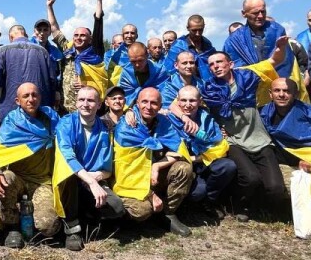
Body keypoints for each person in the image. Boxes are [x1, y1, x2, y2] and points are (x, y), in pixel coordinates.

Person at [201, 40, 288, 221]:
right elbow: (188, 103)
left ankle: (266, 206)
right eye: (211, 64)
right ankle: (237, 204)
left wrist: (280, 47)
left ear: (230, 64)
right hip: (233, 141)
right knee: (251, 178)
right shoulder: (209, 89)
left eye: (219, 62)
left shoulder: (248, 76)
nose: (216, 66)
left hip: (259, 138)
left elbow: (274, 61)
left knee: (276, 188)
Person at [0, 83, 61, 248]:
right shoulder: (12, 121)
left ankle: (33, 217)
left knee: (48, 227)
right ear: (18, 101)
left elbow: (68, 137)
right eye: (26, 96)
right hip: (18, 178)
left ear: (40, 98)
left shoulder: (51, 117)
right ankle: (12, 227)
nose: (31, 99)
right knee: (3, 180)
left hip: (42, 181)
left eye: (34, 95)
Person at [112, 87, 194, 236]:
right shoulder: (126, 127)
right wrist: (150, 194)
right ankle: (118, 218)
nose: (148, 107)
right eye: (144, 102)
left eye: (154, 103)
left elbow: (179, 151)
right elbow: (125, 170)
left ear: (161, 105)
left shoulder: (164, 123)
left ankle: (168, 214)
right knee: (142, 211)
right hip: (130, 180)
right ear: (136, 103)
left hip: (153, 176)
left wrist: (156, 166)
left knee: (184, 168)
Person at [51, 87, 124, 251]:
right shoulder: (66, 123)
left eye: (91, 100)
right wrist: (90, 181)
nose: (86, 104)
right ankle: (72, 228)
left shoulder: (105, 128)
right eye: (81, 100)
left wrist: (95, 178)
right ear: (76, 103)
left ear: (99, 104)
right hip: (70, 178)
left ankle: (88, 216)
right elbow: (67, 157)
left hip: (92, 179)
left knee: (117, 207)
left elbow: (107, 169)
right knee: (68, 175)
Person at [168, 86, 237, 218]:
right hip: (184, 164)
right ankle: (187, 202)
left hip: (205, 160)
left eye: (192, 101)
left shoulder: (207, 118)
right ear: (177, 101)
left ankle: (209, 200)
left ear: (199, 101)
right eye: (184, 100)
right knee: (197, 193)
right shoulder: (169, 119)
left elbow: (217, 144)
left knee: (228, 166)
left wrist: (198, 133)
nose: (188, 105)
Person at [224, 0, 307, 102]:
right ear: (244, 14)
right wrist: (260, 75)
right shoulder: (234, 40)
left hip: (280, 89)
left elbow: (287, 62)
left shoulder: (277, 30)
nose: (260, 16)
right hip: (252, 92)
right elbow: (236, 69)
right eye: (255, 13)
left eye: (263, 12)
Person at [46, 0, 109, 112]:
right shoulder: (67, 50)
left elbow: (98, 22)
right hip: (65, 107)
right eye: (76, 35)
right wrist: (49, 7)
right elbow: (54, 28)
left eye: (82, 35)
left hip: (87, 108)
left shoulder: (95, 53)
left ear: (90, 39)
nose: (78, 38)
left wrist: (99, 0)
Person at [0, 25, 55, 123]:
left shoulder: (2, 51)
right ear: (26, 35)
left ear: (10, 37)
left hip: (11, 108)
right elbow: (52, 80)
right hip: (39, 109)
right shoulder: (43, 51)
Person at [259, 78, 311, 171]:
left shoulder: (310, 115)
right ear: (270, 94)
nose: (281, 95)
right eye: (277, 90)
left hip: (306, 158)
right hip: (275, 160)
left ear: (296, 94)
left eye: (287, 91)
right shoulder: (262, 113)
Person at [163, 15, 216, 80]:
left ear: (204, 26)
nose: (197, 33)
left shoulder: (207, 45)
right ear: (188, 28)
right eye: (194, 30)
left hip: (209, 85)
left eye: (200, 30)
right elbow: (169, 71)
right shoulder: (178, 46)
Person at [117, 42, 169, 107]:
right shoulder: (126, 72)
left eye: (140, 60)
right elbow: (123, 94)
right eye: (133, 61)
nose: (137, 64)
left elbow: (165, 93)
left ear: (147, 55)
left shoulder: (159, 71)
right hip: (131, 108)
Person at [32, 15, 64, 110]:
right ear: (34, 31)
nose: (42, 33)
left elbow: (57, 74)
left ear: (50, 32)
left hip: (48, 91)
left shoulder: (55, 51)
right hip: (31, 89)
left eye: (45, 30)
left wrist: (57, 91)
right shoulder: (27, 47)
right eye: (39, 30)